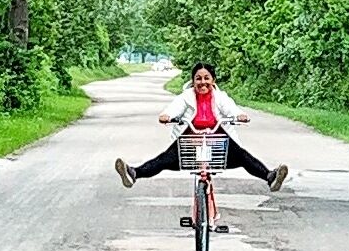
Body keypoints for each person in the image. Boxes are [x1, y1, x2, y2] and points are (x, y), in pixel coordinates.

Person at [115, 62, 289, 193]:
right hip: (189, 143)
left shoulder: (220, 97)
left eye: (207, 78)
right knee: (164, 160)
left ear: (213, 80)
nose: (202, 82)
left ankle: (271, 177)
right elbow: (172, 109)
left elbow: (232, 109)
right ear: (193, 81)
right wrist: (166, 116)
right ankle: (133, 173)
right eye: (198, 78)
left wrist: (239, 116)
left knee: (243, 156)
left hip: (218, 144)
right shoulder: (186, 97)